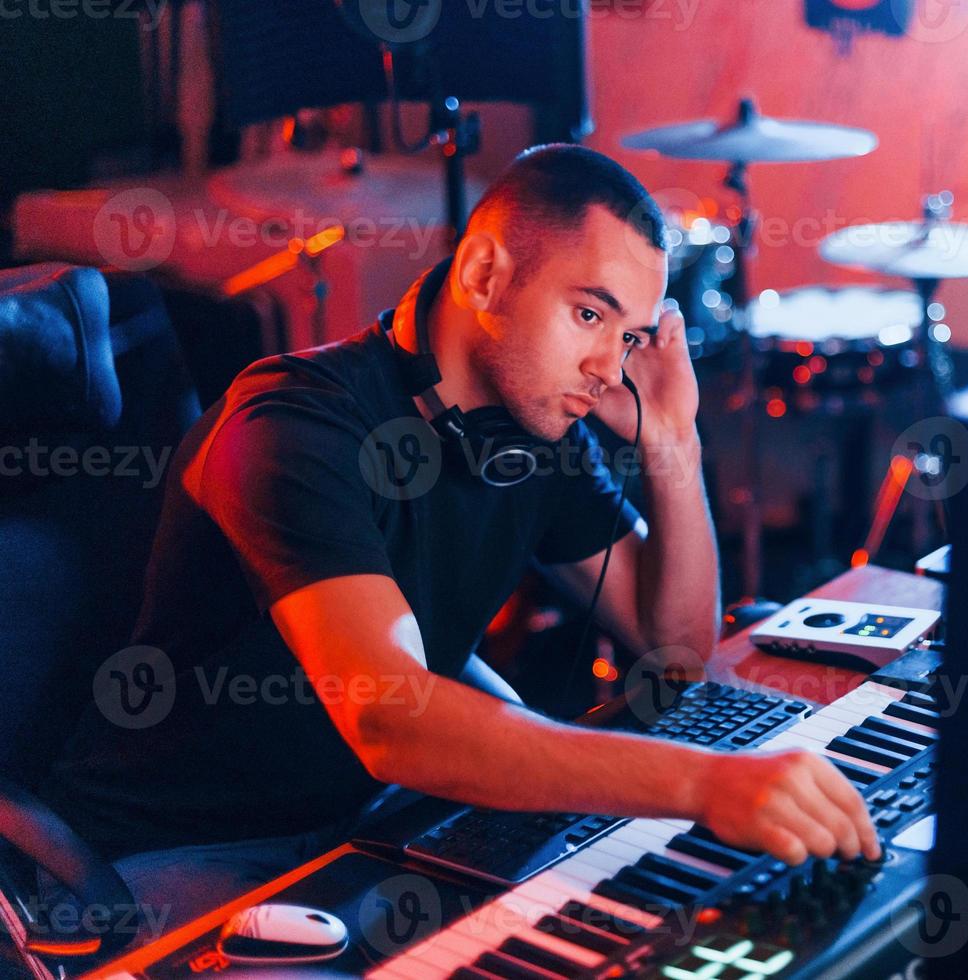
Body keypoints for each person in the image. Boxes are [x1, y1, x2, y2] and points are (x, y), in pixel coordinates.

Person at [40, 144, 879, 934]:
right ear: (484, 274)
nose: (606, 367)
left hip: (366, 826)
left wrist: (672, 437)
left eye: (625, 337)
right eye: (587, 313)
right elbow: (391, 720)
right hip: (176, 858)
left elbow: (677, 647)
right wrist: (702, 783)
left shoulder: (531, 431)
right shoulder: (289, 425)